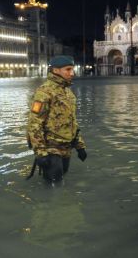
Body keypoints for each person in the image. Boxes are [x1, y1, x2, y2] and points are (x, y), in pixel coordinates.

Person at [27, 55, 87, 184]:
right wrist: (41, 153)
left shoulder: (68, 93)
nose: (72, 73)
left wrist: (80, 146)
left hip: (66, 147)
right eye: (68, 69)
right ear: (55, 70)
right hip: (51, 147)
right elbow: (34, 123)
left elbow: (72, 121)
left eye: (72, 69)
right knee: (54, 183)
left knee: (61, 178)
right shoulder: (44, 92)